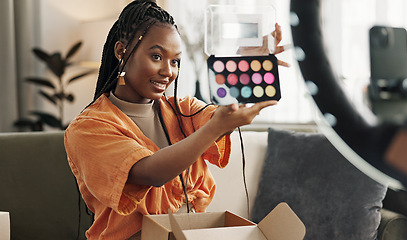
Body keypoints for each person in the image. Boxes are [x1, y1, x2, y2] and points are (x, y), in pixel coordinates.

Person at [64, 0, 284, 239]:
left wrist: (245, 68)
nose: (168, 71)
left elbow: (227, 113)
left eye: (175, 61)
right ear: (121, 52)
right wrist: (214, 128)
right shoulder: (88, 128)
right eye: (157, 56)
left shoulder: (184, 110)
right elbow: (151, 173)